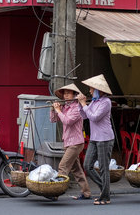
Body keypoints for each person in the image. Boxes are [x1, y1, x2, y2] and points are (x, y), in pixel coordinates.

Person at [77, 74, 114, 206]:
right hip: (94, 138)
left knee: (104, 168)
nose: (90, 91)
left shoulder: (106, 102)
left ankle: (105, 196)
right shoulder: (94, 101)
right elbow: (85, 116)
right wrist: (81, 105)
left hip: (105, 138)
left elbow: (94, 117)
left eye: (92, 89)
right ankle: (105, 188)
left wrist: (83, 104)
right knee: (87, 165)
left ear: (100, 90)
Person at [50, 83, 91, 201]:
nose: (66, 95)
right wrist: (53, 109)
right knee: (76, 169)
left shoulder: (77, 107)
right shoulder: (65, 107)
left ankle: (56, 192)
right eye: (65, 93)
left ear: (74, 95)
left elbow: (67, 121)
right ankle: (86, 192)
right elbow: (53, 119)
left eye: (69, 93)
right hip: (67, 141)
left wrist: (58, 110)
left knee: (63, 166)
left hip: (76, 142)